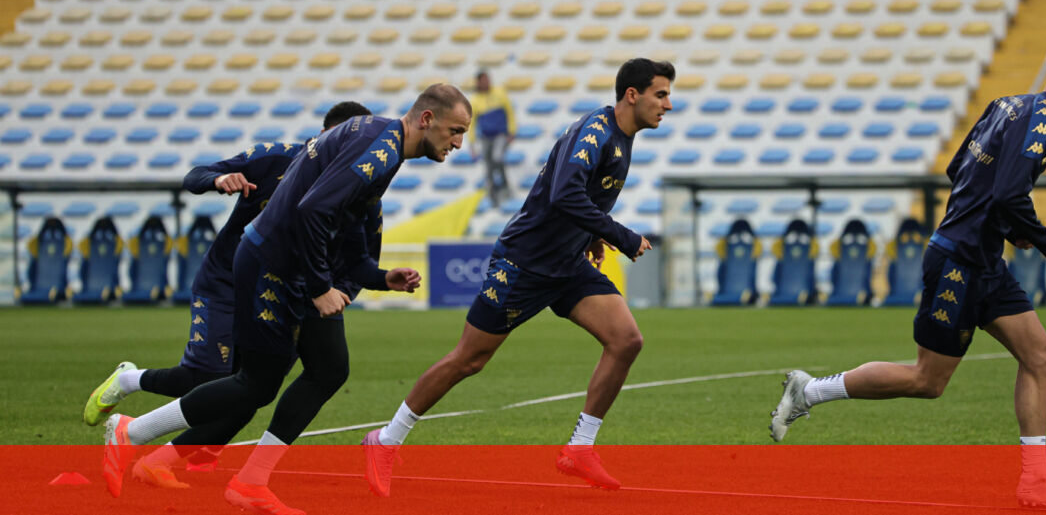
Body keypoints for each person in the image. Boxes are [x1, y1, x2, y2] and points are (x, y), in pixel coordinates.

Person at [769, 31, 1046, 512]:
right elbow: (1008, 194)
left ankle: (1036, 481)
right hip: (960, 262)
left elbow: (960, 170)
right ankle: (809, 391)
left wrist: (1006, 228)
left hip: (982, 258)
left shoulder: (1006, 105)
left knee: (1039, 354)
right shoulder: (1042, 122)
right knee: (927, 381)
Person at [101, 86, 474, 512]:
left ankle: (249, 480)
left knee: (328, 369)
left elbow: (349, 229)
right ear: (427, 119)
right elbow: (312, 210)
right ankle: (132, 434)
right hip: (271, 264)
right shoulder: (380, 146)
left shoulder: (383, 144)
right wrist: (320, 288)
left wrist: (381, 277)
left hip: (291, 267)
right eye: (456, 130)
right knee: (256, 384)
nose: (458, 143)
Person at [361, 59, 671, 496]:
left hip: (567, 263)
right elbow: (564, 193)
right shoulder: (596, 132)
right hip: (525, 262)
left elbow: (579, 196)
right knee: (470, 359)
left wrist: (592, 234)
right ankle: (386, 439)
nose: (668, 104)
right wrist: (620, 235)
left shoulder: (621, 136)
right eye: (661, 94)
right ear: (632, 95)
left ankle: (579, 449)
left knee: (626, 340)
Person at [82, 104, 372, 478]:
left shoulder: (357, 184)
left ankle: (161, 463)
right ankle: (128, 381)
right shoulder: (273, 158)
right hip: (226, 284)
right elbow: (195, 175)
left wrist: (340, 291)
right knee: (208, 379)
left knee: (250, 391)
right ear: (322, 136)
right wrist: (218, 179)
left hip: (282, 297)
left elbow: (358, 256)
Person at [470, 71, 517, 207]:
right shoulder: (475, 100)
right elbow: (472, 124)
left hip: (500, 134)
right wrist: (472, 144)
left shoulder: (499, 93)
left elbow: (510, 112)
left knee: (497, 157)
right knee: (488, 166)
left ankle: (505, 187)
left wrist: (511, 131)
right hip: (485, 137)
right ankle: (493, 195)